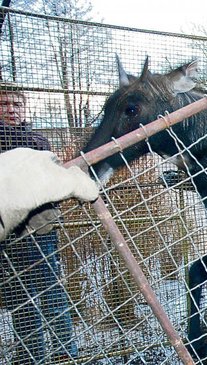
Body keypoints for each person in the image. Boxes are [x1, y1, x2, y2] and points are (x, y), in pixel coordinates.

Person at [0, 87, 98, 364]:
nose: (11, 109)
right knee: (20, 299)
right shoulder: (29, 141)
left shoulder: (37, 139)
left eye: (17, 104)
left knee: (52, 291)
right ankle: (31, 356)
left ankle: (66, 353)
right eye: (4, 104)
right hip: (8, 234)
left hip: (40, 229)